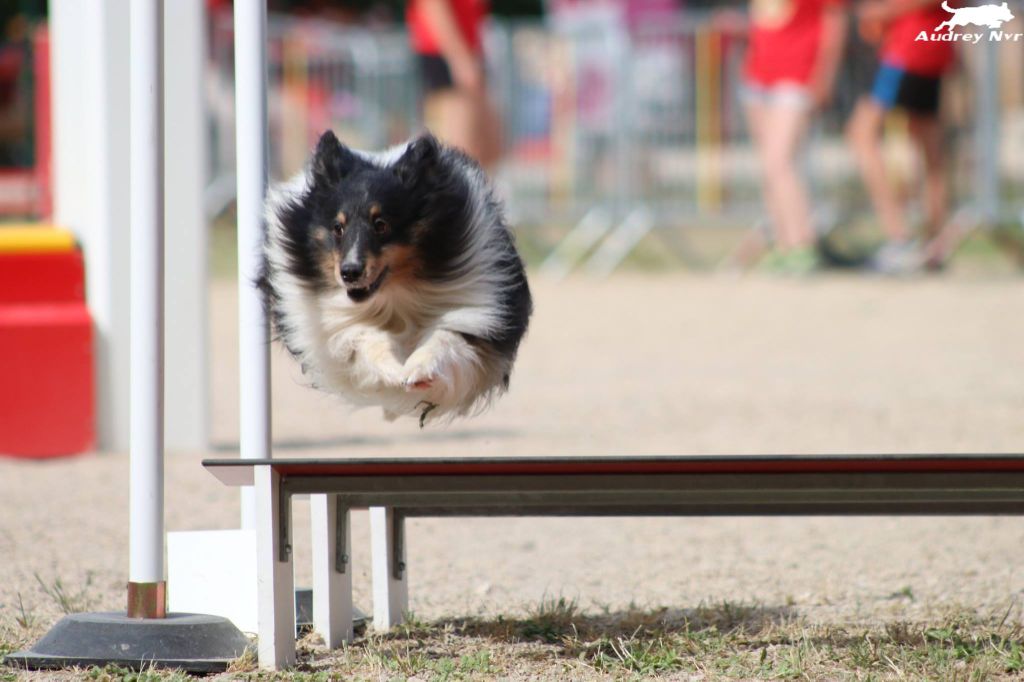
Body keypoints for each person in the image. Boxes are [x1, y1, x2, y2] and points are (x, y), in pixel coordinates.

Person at [846, 0, 954, 273]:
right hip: (931, 48)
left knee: (861, 134)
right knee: (930, 151)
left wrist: (880, 10)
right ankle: (932, 246)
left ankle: (900, 237)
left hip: (909, 51)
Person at [743, 0, 847, 273]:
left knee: (780, 161)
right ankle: (782, 244)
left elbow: (834, 22)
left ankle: (803, 243)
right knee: (769, 166)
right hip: (758, 73)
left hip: (798, 73)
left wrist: (825, 75)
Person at [406, 0, 501, 167]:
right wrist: (460, 59)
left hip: (467, 52)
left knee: (488, 146)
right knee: (461, 152)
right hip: (443, 53)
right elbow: (432, 5)